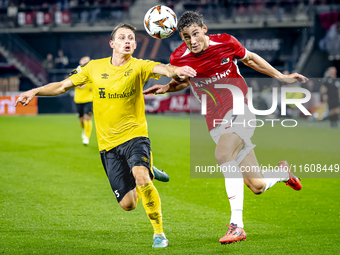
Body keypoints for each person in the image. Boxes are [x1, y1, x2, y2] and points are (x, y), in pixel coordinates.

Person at [15, 23, 196, 248]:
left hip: (135, 135)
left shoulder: (140, 66)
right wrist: (34, 91)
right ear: (112, 44)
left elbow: (164, 69)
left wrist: (176, 70)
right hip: (108, 144)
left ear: (135, 45)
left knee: (141, 178)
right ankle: (149, 168)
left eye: (131, 38)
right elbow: (62, 86)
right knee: (128, 204)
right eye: (122, 38)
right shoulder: (92, 68)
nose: (127, 41)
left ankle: (159, 234)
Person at [144, 11, 308, 244]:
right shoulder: (179, 58)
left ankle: (237, 226)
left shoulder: (226, 42)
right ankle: (283, 174)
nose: (192, 41)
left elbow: (250, 59)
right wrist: (166, 88)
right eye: (186, 37)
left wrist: (280, 76)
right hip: (215, 120)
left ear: (204, 29)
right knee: (257, 185)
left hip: (240, 108)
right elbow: (181, 81)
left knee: (222, 154)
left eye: (195, 34)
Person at [72, 56, 93, 145]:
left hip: (89, 99)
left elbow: (96, 83)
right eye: (84, 60)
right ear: (80, 61)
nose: (86, 62)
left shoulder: (92, 72)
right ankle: (85, 130)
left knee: (87, 117)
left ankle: (86, 137)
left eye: (88, 61)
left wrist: (94, 87)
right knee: (81, 120)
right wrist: (78, 85)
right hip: (78, 99)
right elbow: (70, 83)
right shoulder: (75, 71)